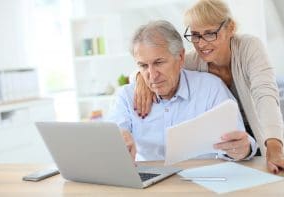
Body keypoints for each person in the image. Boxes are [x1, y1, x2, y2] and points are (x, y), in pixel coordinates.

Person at [133, 0, 284, 173]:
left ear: (230, 28)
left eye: (209, 33)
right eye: (195, 35)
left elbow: (265, 96)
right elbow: (157, 66)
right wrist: (141, 78)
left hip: (261, 139)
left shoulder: (249, 47)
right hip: (226, 147)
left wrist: (274, 148)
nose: (201, 44)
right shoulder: (193, 60)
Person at [107, 20, 257, 162]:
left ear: (180, 57)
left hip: (201, 181)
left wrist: (242, 149)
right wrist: (118, 139)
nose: (152, 75)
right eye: (143, 66)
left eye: (159, 62)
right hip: (149, 185)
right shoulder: (126, 97)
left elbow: (239, 140)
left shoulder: (211, 88)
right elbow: (113, 133)